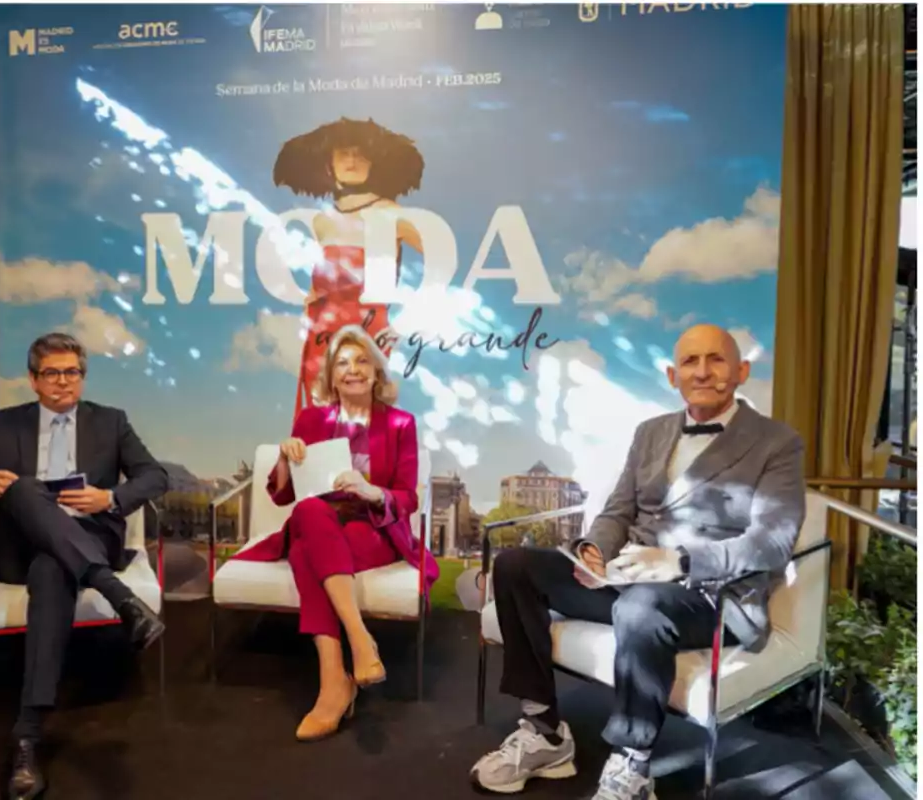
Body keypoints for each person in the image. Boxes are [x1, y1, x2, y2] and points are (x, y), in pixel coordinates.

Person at [470, 324, 806, 799]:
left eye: (716, 359)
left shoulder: (777, 443)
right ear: (673, 375)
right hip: (629, 578)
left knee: (641, 606)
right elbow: (618, 511)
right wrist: (595, 551)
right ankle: (544, 733)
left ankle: (633, 764)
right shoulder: (651, 432)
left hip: (709, 595)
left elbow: (773, 543)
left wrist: (679, 561)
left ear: (741, 370)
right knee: (515, 566)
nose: (703, 371)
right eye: (690, 362)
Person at [0, 332, 169, 800]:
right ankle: (119, 596)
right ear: (34, 380)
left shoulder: (111, 422)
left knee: (52, 569)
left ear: (82, 376)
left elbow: (153, 475)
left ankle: (27, 736)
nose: (64, 383)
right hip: (12, 545)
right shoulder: (3, 425)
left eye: (73, 373)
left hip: (81, 537)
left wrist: (110, 497)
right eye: (54, 374)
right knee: (22, 489)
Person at [232, 324, 439, 741]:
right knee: (310, 511)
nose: (352, 370)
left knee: (307, 552)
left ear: (377, 373)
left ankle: (334, 685)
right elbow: (283, 495)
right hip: (320, 519)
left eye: (362, 360)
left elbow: (407, 498)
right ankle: (358, 643)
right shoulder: (311, 419)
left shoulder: (400, 424)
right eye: (342, 363)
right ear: (330, 376)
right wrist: (286, 462)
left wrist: (371, 491)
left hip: (373, 529)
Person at [273, 117, 425, 420]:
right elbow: (322, 282)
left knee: (362, 416)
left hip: (368, 328)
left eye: (361, 153)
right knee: (321, 416)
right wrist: (311, 298)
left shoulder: (393, 213)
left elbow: (441, 257)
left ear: (375, 162)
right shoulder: (322, 221)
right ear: (329, 163)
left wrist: (413, 313)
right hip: (321, 332)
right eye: (344, 153)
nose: (352, 160)